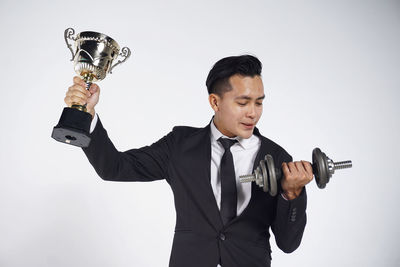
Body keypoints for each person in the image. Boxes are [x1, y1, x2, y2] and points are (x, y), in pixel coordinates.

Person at [64, 55, 313, 267]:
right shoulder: (179, 144)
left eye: (259, 102)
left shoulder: (277, 157)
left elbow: (288, 244)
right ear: (215, 102)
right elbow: (113, 167)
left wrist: (292, 194)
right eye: (243, 102)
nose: (253, 113)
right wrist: (87, 115)